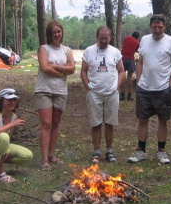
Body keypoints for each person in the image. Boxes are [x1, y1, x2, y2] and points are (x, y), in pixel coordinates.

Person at [128, 14, 171, 164]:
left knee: (163, 120)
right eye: (154, 27)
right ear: (150, 26)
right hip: (144, 88)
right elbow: (140, 62)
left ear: (164, 27)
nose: (157, 30)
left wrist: (170, 84)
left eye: (160, 27)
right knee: (142, 119)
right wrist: (138, 81)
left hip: (163, 88)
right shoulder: (144, 40)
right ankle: (141, 151)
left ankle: (161, 151)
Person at [35, 20, 75, 170]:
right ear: (49, 34)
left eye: (59, 31)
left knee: (56, 125)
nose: (57, 34)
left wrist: (55, 67)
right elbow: (44, 68)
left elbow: (72, 69)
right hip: (44, 90)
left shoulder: (67, 50)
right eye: (54, 32)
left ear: (62, 33)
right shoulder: (44, 49)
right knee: (46, 124)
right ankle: (44, 159)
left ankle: (52, 155)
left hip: (60, 91)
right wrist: (61, 72)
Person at [81, 26, 124, 163]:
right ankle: (97, 151)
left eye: (106, 38)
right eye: (101, 38)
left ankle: (109, 151)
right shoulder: (89, 51)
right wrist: (87, 86)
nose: (104, 41)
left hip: (111, 93)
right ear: (97, 37)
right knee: (96, 123)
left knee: (110, 123)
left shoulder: (116, 52)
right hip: (94, 93)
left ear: (110, 38)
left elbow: (121, 70)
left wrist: (117, 85)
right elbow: (83, 71)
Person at [120, 31, 140, 101]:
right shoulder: (137, 43)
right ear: (137, 37)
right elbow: (136, 50)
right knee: (130, 77)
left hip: (123, 58)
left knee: (122, 76)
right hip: (130, 59)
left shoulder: (126, 38)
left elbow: (124, 44)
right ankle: (129, 95)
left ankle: (122, 94)